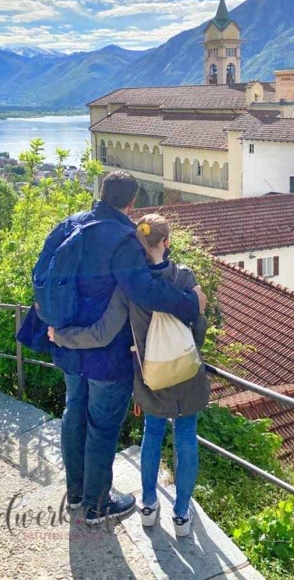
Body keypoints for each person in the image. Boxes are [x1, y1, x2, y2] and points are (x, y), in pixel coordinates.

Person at [41, 171, 206, 525]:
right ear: (131, 203)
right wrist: (190, 304)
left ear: (101, 193)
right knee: (101, 426)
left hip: (68, 342)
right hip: (106, 353)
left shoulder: (69, 225)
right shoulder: (123, 238)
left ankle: (77, 495)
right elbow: (144, 290)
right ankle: (97, 505)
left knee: (74, 414)